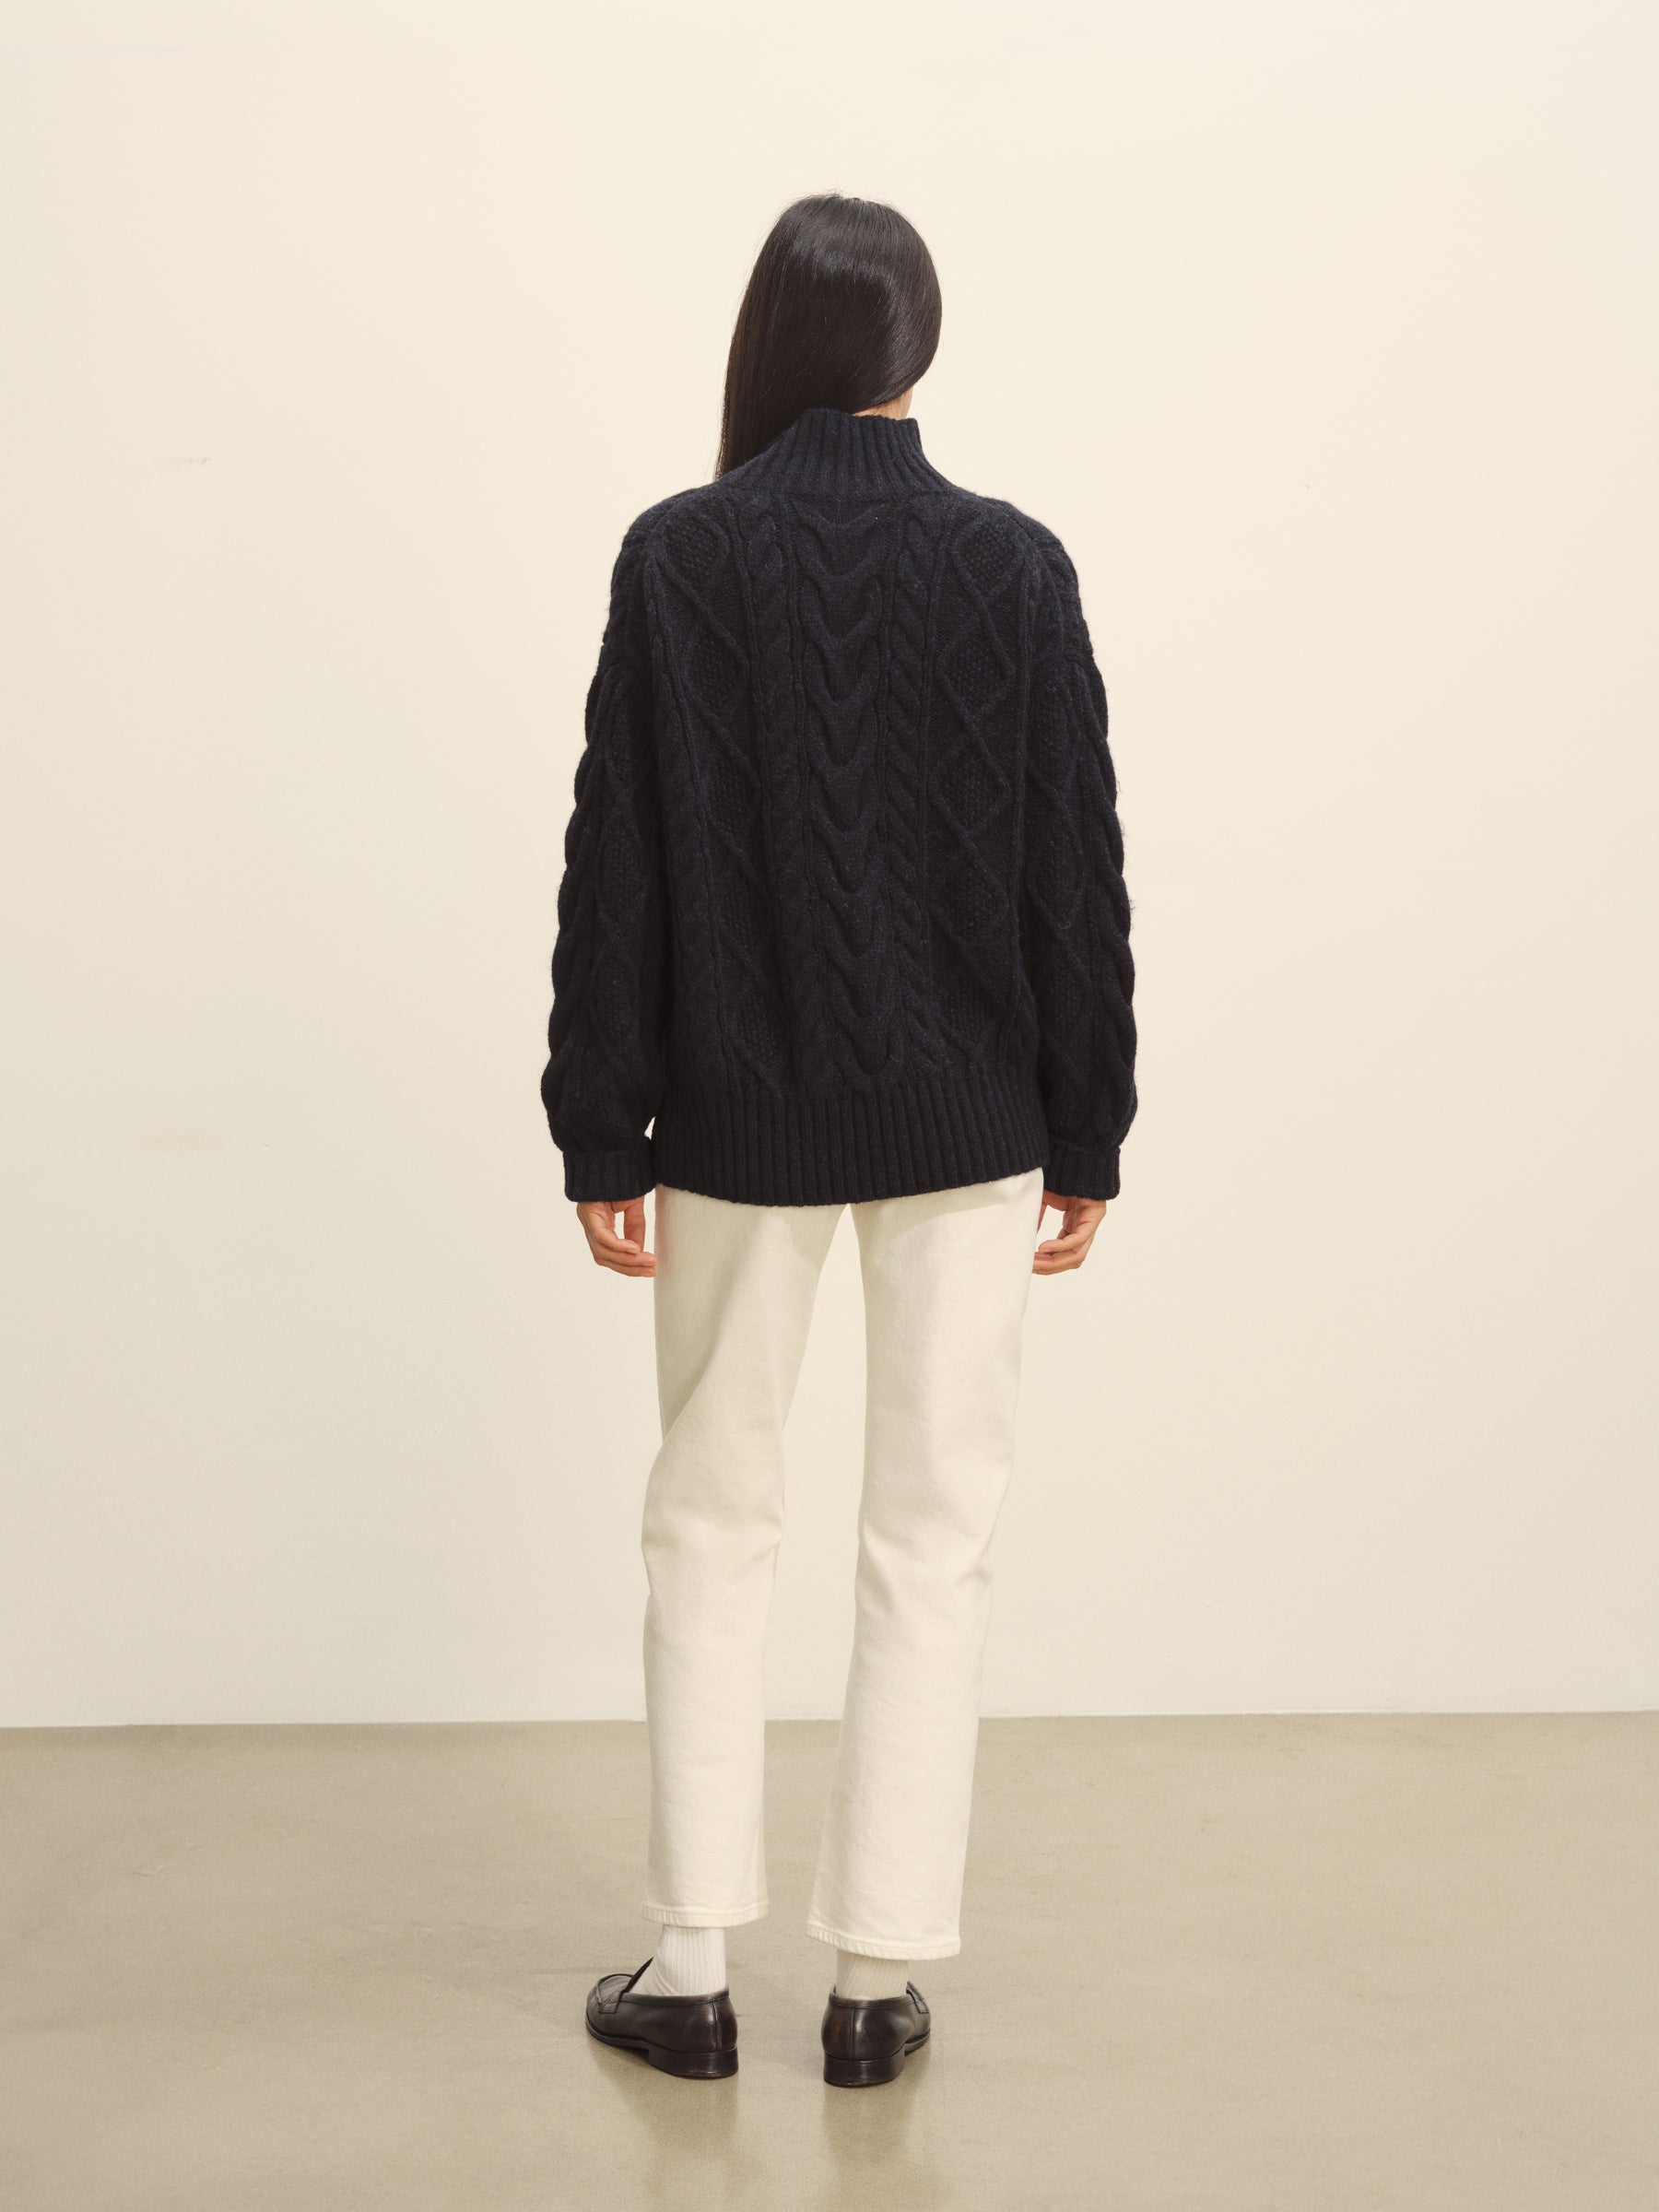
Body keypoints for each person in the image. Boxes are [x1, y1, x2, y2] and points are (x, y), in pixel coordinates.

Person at [542, 192, 1136, 2088]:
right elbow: (1073, 873)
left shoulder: (681, 555)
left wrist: (600, 1125)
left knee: (711, 1519)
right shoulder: (1014, 566)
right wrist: (1091, 1126)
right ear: (919, 347)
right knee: (932, 1539)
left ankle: (692, 1971)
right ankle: (875, 1988)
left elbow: (617, 863)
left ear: (774, 336)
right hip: (971, 1125)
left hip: (730, 1122)